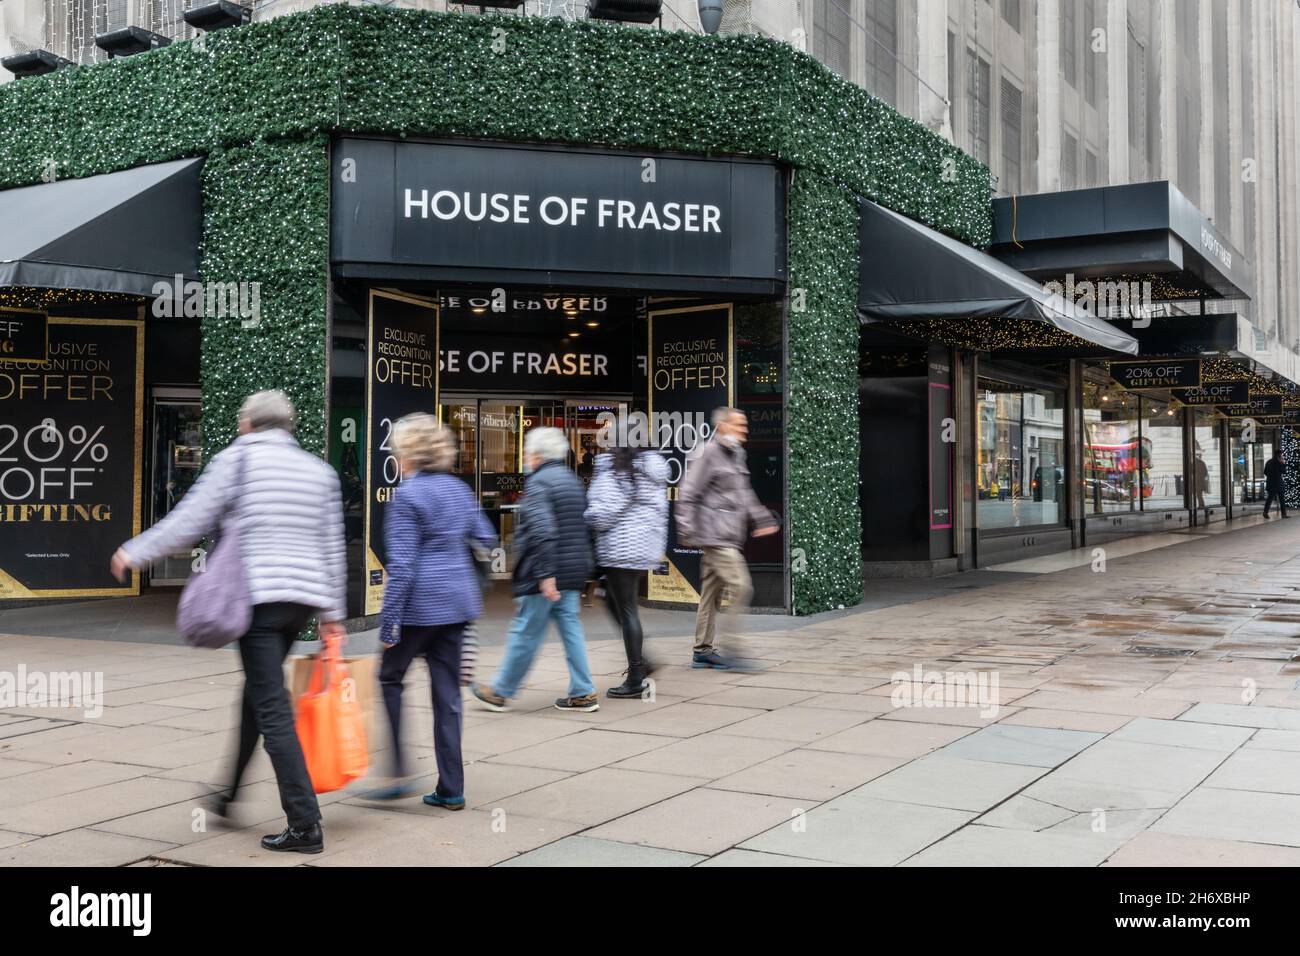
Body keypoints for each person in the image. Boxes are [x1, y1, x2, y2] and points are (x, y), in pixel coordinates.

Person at [111, 390, 346, 855]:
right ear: (287, 426)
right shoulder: (320, 472)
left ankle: (304, 824)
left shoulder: (237, 461)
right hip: (300, 601)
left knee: (272, 708)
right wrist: (332, 615)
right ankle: (230, 795)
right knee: (256, 697)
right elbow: (332, 544)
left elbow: (190, 519)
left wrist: (135, 551)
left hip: (258, 600)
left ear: (247, 425)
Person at [372, 414, 496, 809]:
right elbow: (487, 537)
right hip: (458, 604)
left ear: (406, 453)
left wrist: (389, 623)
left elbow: (403, 566)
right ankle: (451, 787)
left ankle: (398, 772)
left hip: (419, 608)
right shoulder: (458, 489)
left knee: (389, 677)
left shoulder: (408, 496)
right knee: (447, 696)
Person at [472, 427, 599, 712]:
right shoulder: (572, 481)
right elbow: (585, 526)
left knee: (526, 629)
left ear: (538, 455)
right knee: (570, 628)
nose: (526, 457)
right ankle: (583, 691)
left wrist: (545, 574)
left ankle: (501, 691)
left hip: (546, 571)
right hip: (571, 569)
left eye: (528, 452)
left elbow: (543, 530)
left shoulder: (540, 483)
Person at [676, 407, 778, 670]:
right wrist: (686, 530)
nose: (744, 430)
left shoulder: (736, 454)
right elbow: (688, 492)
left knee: (710, 594)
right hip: (715, 536)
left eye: (744, 426)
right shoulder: (710, 453)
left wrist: (763, 519)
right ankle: (733, 648)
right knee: (742, 586)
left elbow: (744, 493)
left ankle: (702, 650)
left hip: (729, 535)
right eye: (738, 425)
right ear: (721, 427)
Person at [585, 442, 669, 698]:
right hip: (643, 548)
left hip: (620, 549)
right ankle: (642, 661)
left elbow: (603, 513)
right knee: (612, 601)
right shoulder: (653, 469)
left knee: (627, 610)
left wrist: (586, 517)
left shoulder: (616, 470)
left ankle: (636, 676)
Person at [1263, 447, 1288, 518]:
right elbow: (1284, 471)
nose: (1282, 456)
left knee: (1269, 499)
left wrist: (1271, 477)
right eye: (1281, 455)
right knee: (1282, 499)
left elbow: (1265, 472)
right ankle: (1283, 514)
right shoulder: (1279, 462)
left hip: (1271, 483)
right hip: (1279, 483)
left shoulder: (1268, 462)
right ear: (1279, 455)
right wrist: (1283, 463)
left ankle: (1265, 512)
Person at [1194, 450, 1210, 516]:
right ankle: (1202, 505)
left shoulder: (1196, 463)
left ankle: (1201, 506)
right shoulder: (1202, 463)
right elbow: (1206, 473)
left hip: (1198, 482)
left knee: (1198, 495)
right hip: (1201, 481)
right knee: (1199, 495)